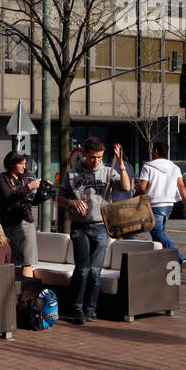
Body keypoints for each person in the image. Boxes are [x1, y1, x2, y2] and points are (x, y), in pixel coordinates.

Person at [58, 137, 131, 325]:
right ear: (84, 154)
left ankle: (91, 309)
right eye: (92, 157)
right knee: (82, 269)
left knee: (95, 272)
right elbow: (59, 198)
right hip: (80, 227)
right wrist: (72, 202)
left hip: (101, 226)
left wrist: (121, 163)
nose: (96, 161)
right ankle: (76, 308)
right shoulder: (73, 174)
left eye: (99, 157)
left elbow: (126, 186)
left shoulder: (108, 171)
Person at [136, 142, 186, 265]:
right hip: (169, 204)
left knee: (157, 233)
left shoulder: (148, 166)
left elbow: (142, 187)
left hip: (154, 205)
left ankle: (178, 255)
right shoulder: (174, 167)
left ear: (155, 151)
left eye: (152, 150)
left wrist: (134, 197)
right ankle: (161, 260)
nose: (150, 152)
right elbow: (181, 186)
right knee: (159, 234)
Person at [0, 151, 42, 278]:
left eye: (25, 164)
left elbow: (31, 199)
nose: (24, 167)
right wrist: (28, 187)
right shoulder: (2, 179)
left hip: (26, 221)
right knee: (9, 260)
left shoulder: (25, 177)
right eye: (21, 164)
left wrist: (42, 192)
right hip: (8, 223)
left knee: (28, 261)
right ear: (12, 164)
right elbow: (8, 197)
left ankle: (26, 295)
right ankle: (11, 292)